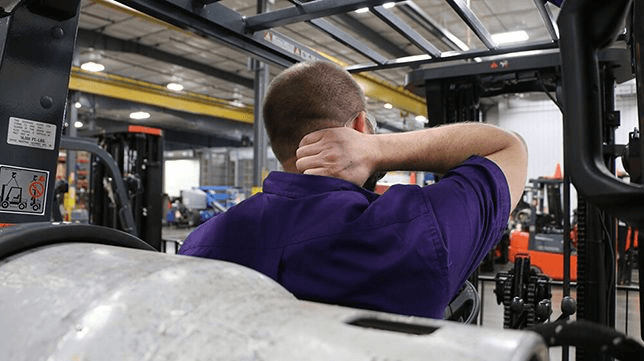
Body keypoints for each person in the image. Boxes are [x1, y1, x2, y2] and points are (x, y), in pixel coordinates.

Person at [179, 60, 528, 319]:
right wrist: (377, 149)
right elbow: (508, 148)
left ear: (277, 142)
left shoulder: (201, 243)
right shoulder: (412, 232)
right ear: (359, 126)